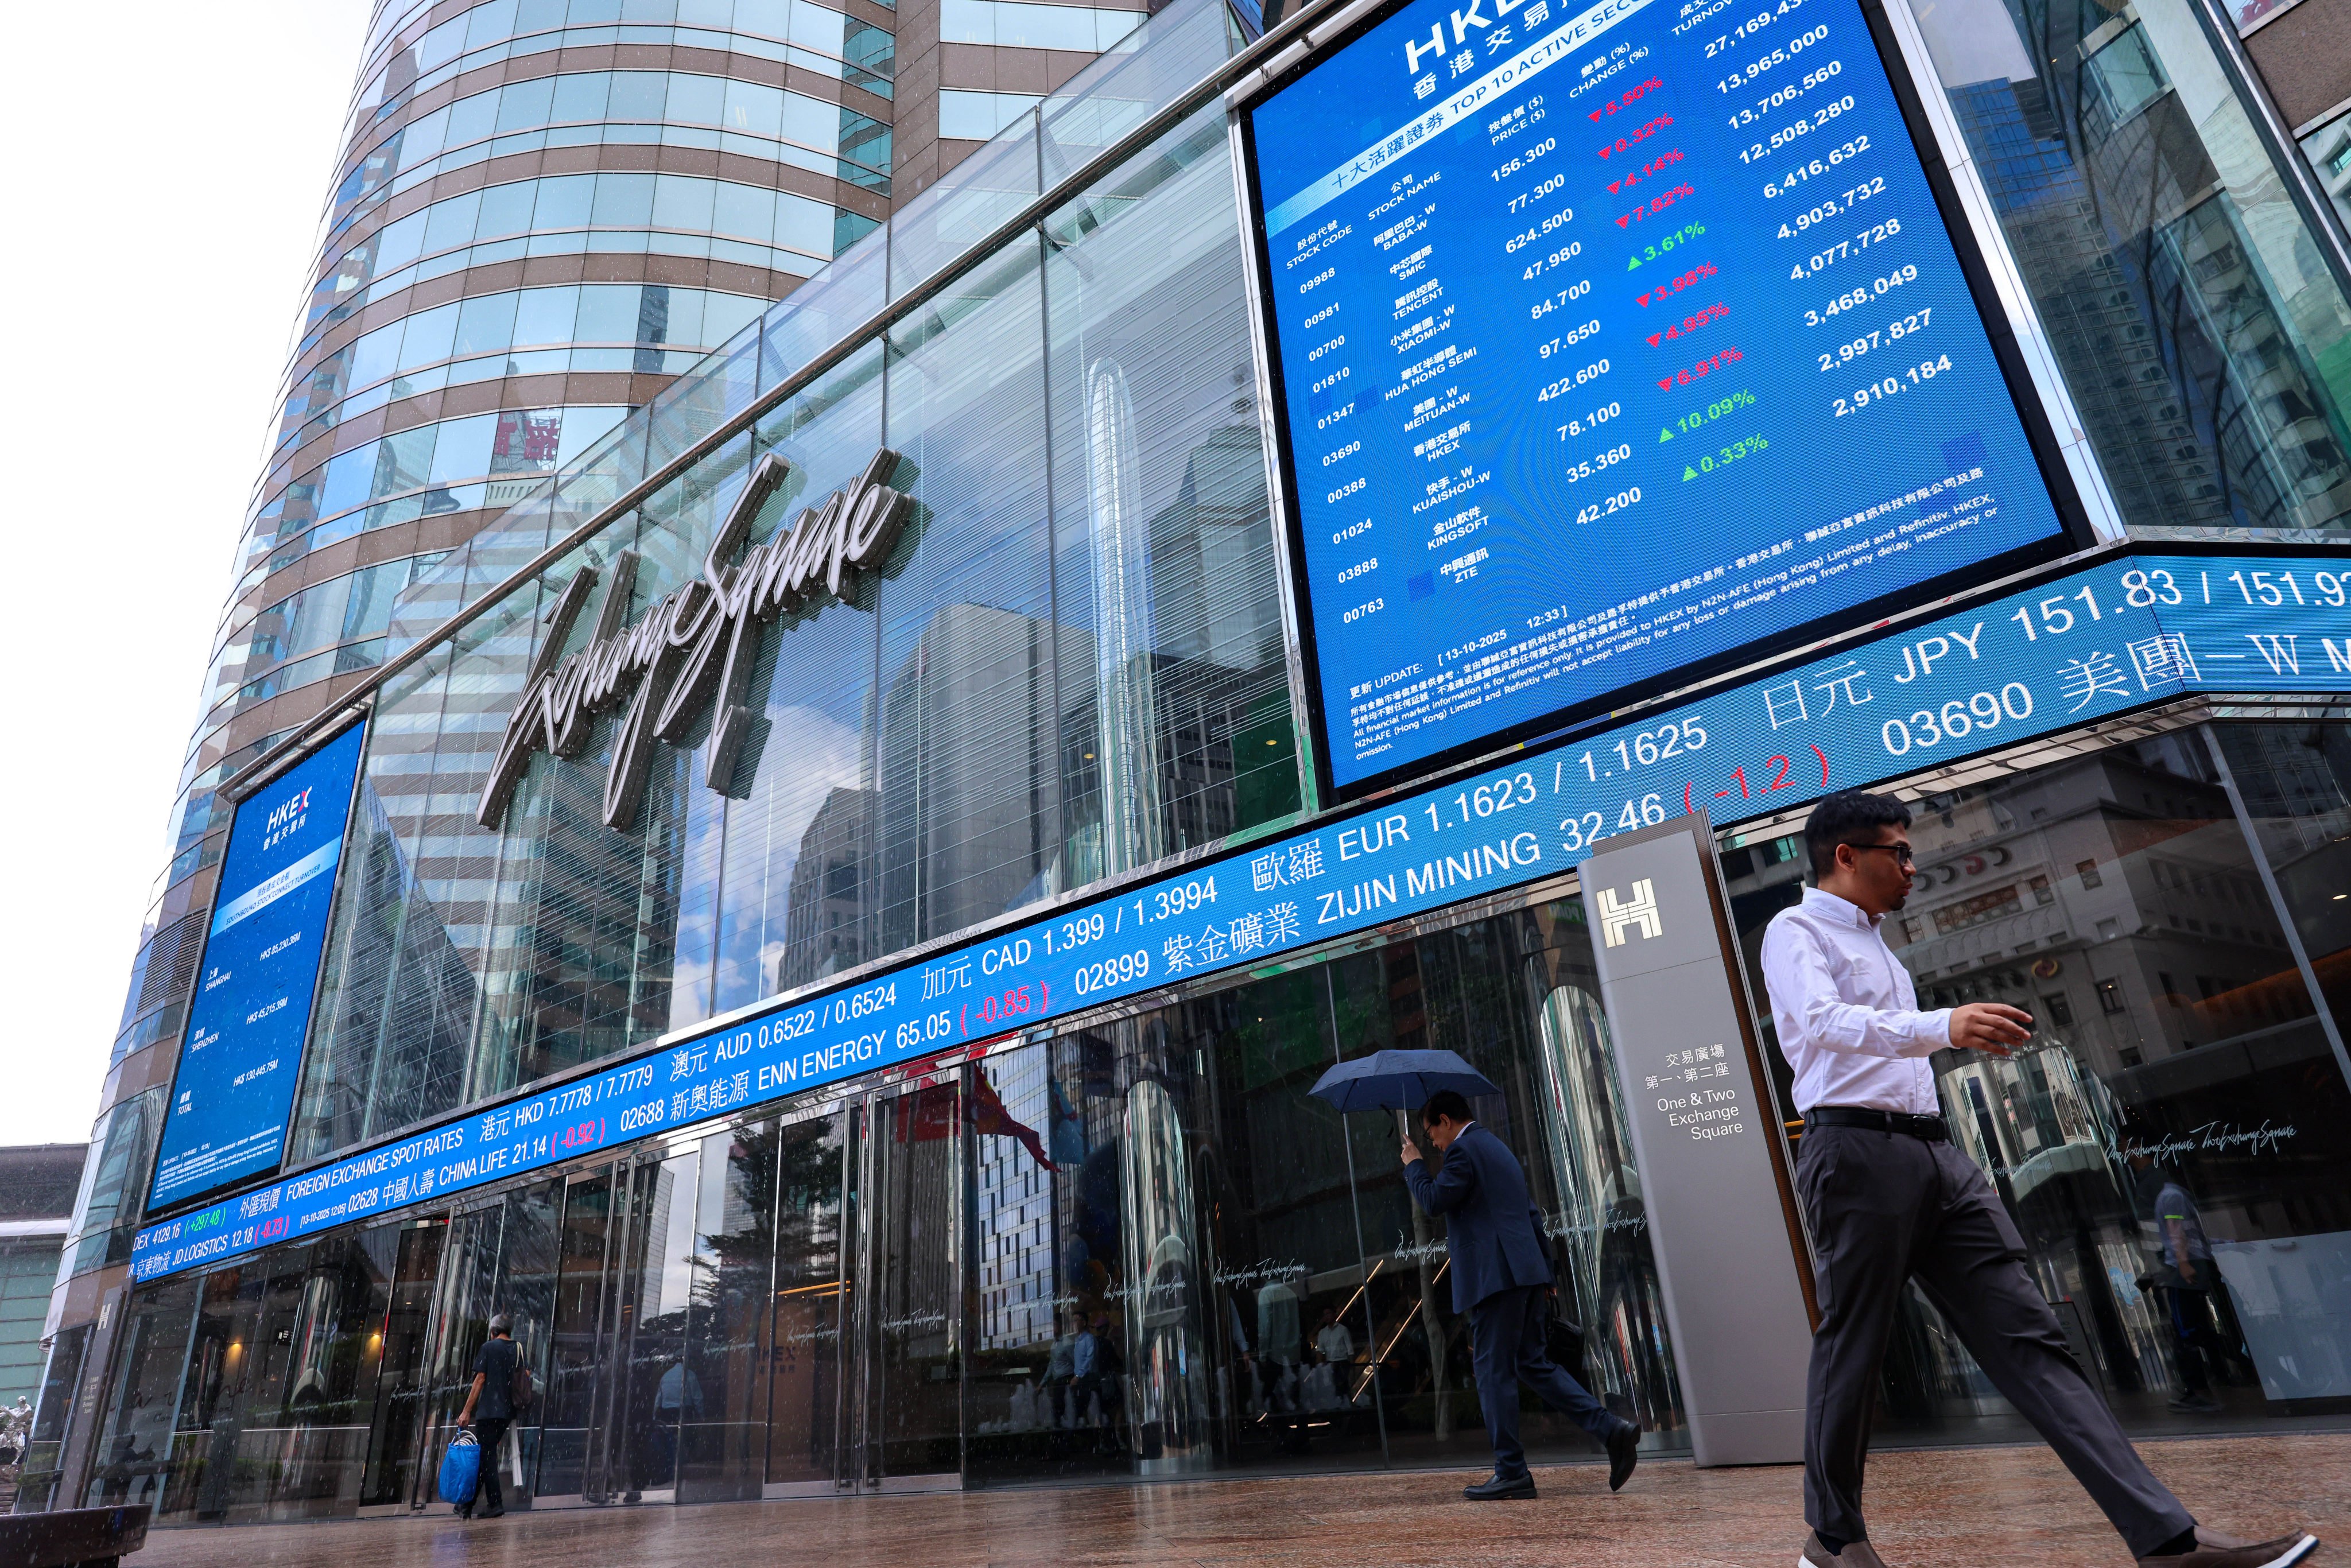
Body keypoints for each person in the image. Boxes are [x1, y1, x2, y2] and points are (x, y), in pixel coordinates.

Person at [1763, 790, 2318, 1568]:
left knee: (2034, 1339)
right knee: (1853, 1344)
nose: (1913, 867)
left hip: (1936, 1158)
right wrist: (1943, 1027)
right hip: (1854, 1154)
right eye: (1899, 852)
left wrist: (1939, 1052)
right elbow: (1819, 1024)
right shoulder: (1796, 930)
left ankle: (2166, 1537)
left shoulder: (1880, 943)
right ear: (1846, 857)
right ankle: (1833, 1537)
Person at [1401, 1088, 1640, 1500]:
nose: (1432, 1143)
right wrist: (1545, 1275)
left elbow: (1435, 1200)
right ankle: (1610, 1430)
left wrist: (1415, 1167)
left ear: (1445, 1121)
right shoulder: (1497, 1148)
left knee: (1493, 1370)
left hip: (1496, 1279)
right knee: (1533, 1363)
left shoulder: (1462, 1152)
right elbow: (1531, 1214)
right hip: (1524, 1274)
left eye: (1431, 1133)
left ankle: (1511, 1470)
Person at [454, 1313, 521, 1519]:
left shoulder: (489, 1348)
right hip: (507, 1412)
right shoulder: (518, 1349)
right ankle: (466, 1505)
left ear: (493, 1331)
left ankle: (495, 1503)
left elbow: (480, 1379)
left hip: (488, 1411)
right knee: (486, 1456)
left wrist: (466, 1411)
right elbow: (523, 1376)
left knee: (487, 1457)